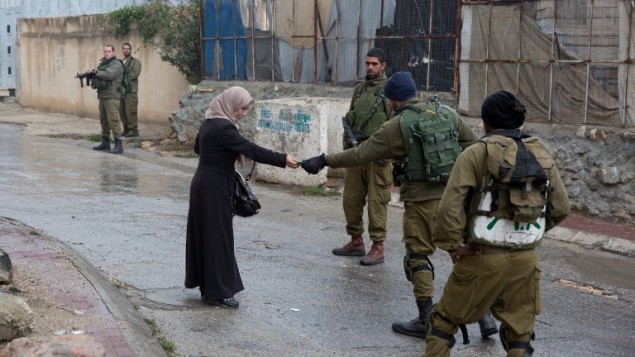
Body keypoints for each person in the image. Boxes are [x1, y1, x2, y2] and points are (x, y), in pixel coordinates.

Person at [301, 72, 497, 339]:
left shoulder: (399, 125)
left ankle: (425, 319)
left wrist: (324, 160)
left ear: (392, 100)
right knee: (460, 252)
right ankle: (484, 317)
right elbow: (473, 146)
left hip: (420, 202)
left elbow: (361, 153)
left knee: (417, 256)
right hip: (456, 199)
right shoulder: (447, 112)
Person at [423, 91, 571, 357]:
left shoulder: (475, 153)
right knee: (519, 334)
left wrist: (452, 246)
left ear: (485, 122)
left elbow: (449, 207)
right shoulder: (540, 151)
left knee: (443, 323)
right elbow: (561, 208)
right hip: (526, 259)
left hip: (480, 256)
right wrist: (527, 231)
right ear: (520, 121)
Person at [184, 86, 300, 309]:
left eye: (246, 108)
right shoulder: (224, 127)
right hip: (215, 186)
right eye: (241, 109)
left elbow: (198, 148)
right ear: (231, 106)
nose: (244, 113)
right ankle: (219, 293)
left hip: (202, 182)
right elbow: (251, 150)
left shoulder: (209, 121)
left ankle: (209, 289)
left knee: (206, 236)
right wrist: (283, 159)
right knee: (219, 239)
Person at [334, 47, 393, 266]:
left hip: (378, 156)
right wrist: (347, 149)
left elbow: (395, 124)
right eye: (367, 63)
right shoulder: (359, 89)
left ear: (383, 65)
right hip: (357, 153)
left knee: (377, 201)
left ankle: (378, 246)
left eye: (374, 64)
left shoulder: (390, 90)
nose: (370, 67)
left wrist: (389, 154)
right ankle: (356, 241)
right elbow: (350, 119)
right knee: (351, 199)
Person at [91, 44, 125, 154]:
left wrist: (96, 73)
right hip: (103, 95)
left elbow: (108, 75)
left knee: (113, 120)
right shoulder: (103, 64)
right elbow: (100, 76)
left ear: (113, 52)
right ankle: (105, 143)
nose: (106, 53)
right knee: (103, 120)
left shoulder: (117, 64)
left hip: (112, 96)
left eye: (109, 51)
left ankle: (118, 144)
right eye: (105, 51)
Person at [120, 42, 142, 137]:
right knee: (122, 111)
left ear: (130, 50)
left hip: (131, 91)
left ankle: (133, 130)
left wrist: (122, 77)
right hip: (121, 91)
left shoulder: (136, 62)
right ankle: (126, 129)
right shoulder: (120, 62)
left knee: (131, 111)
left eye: (128, 48)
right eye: (124, 48)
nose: (126, 50)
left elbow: (135, 74)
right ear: (122, 50)